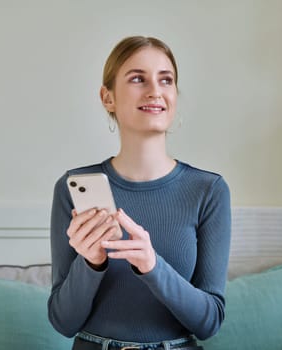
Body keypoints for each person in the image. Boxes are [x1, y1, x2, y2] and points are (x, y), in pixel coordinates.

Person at [48, 36, 231, 350]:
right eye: (137, 79)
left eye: (166, 80)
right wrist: (91, 264)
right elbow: (63, 322)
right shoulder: (72, 188)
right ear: (108, 98)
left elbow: (209, 322)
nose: (155, 91)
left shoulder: (208, 191)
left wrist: (152, 266)